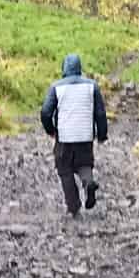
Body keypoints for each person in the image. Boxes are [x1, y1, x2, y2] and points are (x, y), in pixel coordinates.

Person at [41, 52, 108, 217]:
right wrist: (102, 134)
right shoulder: (92, 86)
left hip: (64, 136)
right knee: (84, 164)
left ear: (64, 68)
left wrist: (50, 130)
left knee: (65, 170)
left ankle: (74, 206)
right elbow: (100, 113)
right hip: (85, 135)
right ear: (79, 68)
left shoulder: (56, 87)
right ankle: (88, 182)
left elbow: (45, 112)